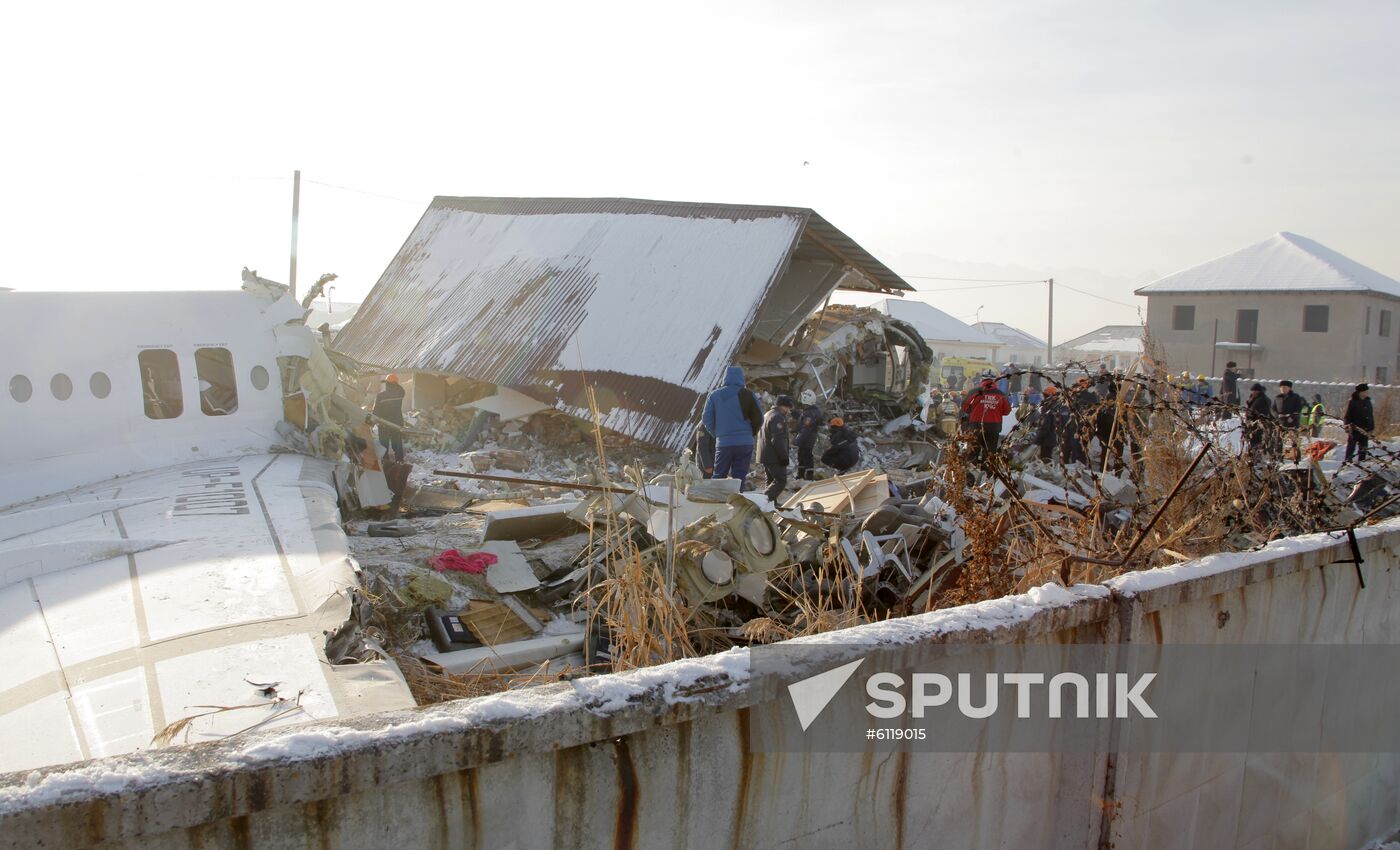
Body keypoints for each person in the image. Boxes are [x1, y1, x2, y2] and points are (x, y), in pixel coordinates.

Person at [701, 366, 764, 488]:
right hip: (745, 443)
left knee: (719, 476)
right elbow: (759, 419)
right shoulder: (749, 395)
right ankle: (737, 498)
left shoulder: (715, 395)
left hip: (724, 443)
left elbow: (706, 418)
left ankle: (717, 498)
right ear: (742, 378)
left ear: (725, 378)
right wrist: (750, 434)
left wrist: (717, 434)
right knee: (739, 478)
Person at [961, 376, 1012, 463]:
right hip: (994, 427)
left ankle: (971, 469)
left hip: (976, 426)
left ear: (982, 380)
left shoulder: (974, 392)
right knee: (990, 453)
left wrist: (974, 411)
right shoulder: (1001, 394)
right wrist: (995, 410)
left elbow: (965, 407)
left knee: (972, 451)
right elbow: (1007, 411)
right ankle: (987, 470)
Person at [756, 395, 794, 501]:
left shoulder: (767, 414)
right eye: (788, 407)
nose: (788, 410)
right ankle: (761, 501)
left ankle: (770, 505)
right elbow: (777, 439)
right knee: (780, 481)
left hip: (766, 454)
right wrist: (784, 457)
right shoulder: (778, 417)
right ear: (783, 406)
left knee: (770, 481)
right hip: (774, 456)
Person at [373, 374, 406, 462]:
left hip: (383, 424)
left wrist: (372, 422)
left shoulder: (380, 396)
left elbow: (375, 411)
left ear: (387, 384)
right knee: (397, 444)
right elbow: (401, 390)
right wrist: (396, 384)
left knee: (384, 444)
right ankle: (400, 461)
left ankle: (385, 462)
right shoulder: (399, 394)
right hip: (396, 423)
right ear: (396, 384)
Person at [794, 389, 824, 481]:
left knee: (805, 456)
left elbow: (806, 428)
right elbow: (804, 421)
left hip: (807, 439)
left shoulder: (809, 414)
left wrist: (797, 440)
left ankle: (806, 476)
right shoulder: (812, 411)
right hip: (809, 438)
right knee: (804, 455)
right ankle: (802, 475)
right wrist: (794, 413)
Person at [1273, 380, 1304, 458]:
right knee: (1278, 440)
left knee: (1294, 440)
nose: (1283, 389)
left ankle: (1296, 456)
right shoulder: (1277, 397)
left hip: (1292, 422)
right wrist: (1277, 415)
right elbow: (1273, 409)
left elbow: (1298, 408)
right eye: (1281, 387)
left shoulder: (1295, 397)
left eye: (1285, 387)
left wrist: (1292, 417)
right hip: (1281, 422)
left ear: (1289, 388)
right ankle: (1278, 456)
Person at [1344, 383, 1374, 462]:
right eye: (1365, 391)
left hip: (1365, 429)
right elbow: (1347, 415)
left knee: (1363, 447)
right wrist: (1347, 426)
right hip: (1355, 428)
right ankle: (1348, 461)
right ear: (1360, 392)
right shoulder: (1353, 402)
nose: (1367, 393)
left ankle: (1361, 462)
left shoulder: (1368, 401)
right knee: (1351, 446)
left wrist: (1371, 427)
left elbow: (1370, 415)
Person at [1033, 385, 1061, 462]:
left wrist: (1037, 439)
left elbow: (1045, 426)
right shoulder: (1057, 406)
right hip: (1052, 437)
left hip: (1046, 439)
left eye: (1046, 396)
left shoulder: (1048, 408)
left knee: (1045, 459)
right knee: (1047, 457)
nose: (1044, 398)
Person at [1245, 383, 1273, 456]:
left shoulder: (1262, 400)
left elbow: (1262, 413)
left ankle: (1256, 457)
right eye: (1253, 391)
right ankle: (1253, 456)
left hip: (1257, 424)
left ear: (1259, 391)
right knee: (1251, 441)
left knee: (1256, 441)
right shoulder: (1253, 399)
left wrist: (1256, 419)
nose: (1253, 392)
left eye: (1255, 391)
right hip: (1251, 424)